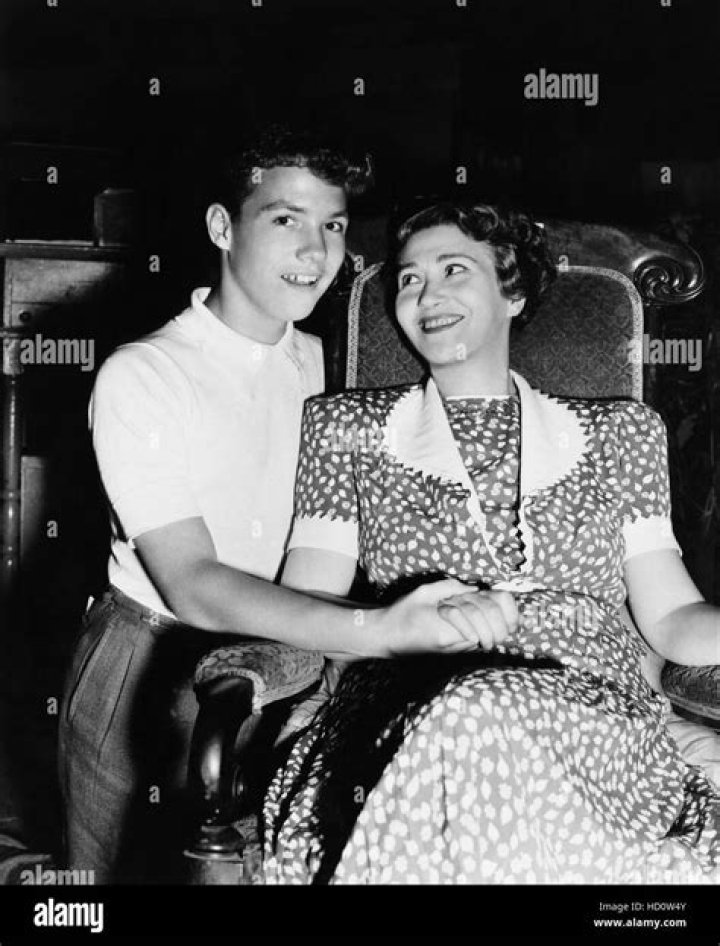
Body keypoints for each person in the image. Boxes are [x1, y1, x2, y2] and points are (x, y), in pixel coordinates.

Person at [57, 130, 486, 884]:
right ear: (222, 226)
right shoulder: (145, 374)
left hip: (287, 654)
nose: (315, 251)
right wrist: (380, 630)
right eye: (285, 219)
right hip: (150, 658)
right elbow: (193, 583)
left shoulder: (329, 366)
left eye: (333, 225)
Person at [262, 201, 720, 884]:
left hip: (587, 714)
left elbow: (675, 617)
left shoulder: (622, 434)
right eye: (410, 279)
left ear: (514, 292)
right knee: (470, 712)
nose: (428, 294)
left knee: (480, 716)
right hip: (409, 701)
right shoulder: (347, 428)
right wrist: (402, 628)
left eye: (454, 270)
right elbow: (306, 609)